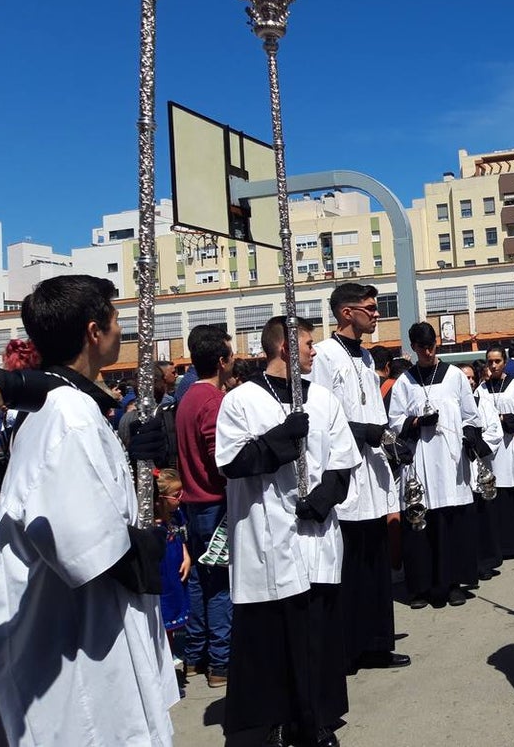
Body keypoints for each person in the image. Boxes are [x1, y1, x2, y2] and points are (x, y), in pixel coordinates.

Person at [0, 275, 179, 745]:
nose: (121, 329)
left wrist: (128, 455)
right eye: (115, 318)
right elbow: (88, 549)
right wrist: (147, 547)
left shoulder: (63, 406)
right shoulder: (69, 411)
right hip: (73, 646)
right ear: (94, 331)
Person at [216, 316, 359, 747]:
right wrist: (282, 437)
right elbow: (233, 463)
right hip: (267, 538)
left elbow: (342, 461)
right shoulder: (241, 401)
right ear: (284, 348)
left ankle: (317, 719)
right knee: (274, 637)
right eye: (308, 344)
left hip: (314, 534)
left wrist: (323, 500)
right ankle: (276, 719)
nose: (315, 351)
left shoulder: (324, 399)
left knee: (315, 633)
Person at [308, 284, 410, 673]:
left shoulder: (367, 358)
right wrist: (363, 432)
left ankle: (376, 643)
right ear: (347, 313)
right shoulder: (326, 356)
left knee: (375, 562)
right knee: (350, 566)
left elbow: (375, 412)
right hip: (347, 468)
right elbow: (321, 414)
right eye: (370, 308)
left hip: (375, 471)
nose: (376, 313)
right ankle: (348, 647)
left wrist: (390, 442)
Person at [388, 322, 484, 608]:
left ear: (437, 343)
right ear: (413, 348)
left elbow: (470, 414)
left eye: (432, 346)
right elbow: (394, 422)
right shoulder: (405, 381)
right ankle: (421, 587)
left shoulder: (454, 376)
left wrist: (469, 435)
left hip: (450, 461)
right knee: (421, 526)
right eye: (422, 348)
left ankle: (453, 583)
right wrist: (416, 422)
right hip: (421, 462)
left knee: (452, 523)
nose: (428, 352)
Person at [176, 324, 235, 689]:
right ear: (220, 360)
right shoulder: (212, 401)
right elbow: (221, 459)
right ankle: (221, 663)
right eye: (230, 354)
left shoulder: (187, 399)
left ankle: (195, 658)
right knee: (219, 585)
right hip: (214, 503)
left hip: (194, 504)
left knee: (200, 581)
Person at [476, 343, 514, 559]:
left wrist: (503, 419)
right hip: (492, 455)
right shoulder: (480, 390)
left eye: (497, 361)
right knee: (497, 499)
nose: (493, 366)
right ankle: (499, 546)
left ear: (504, 362)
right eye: (490, 362)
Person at [461, 364, 505, 582]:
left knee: (484, 516)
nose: (468, 382)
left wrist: (478, 447)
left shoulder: (484, 403)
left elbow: (495, 430)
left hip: (480, 465)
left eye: (471, 378)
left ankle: (486, 562)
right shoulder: (452, 405)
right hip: (460, 471)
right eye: (464, 378)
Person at [155, 468, 191, 695]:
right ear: (160, 499)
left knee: (173, 628)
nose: (180, 499)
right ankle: (163, 675)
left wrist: (186, 555)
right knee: (161, 626)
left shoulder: (177, 516)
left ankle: (168, 670)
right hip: (163, 580)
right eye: (175, 495)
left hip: (176, 575)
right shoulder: (153, 524)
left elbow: (182, 536)